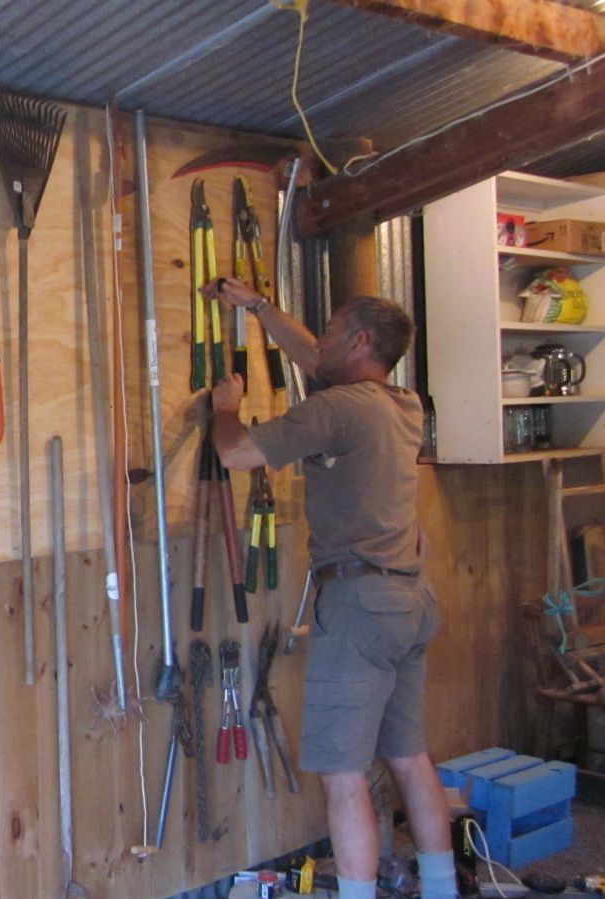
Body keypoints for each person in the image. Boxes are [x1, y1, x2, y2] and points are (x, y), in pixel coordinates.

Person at [203, 276, 454, 899]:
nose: (322, 342)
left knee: (343, 774)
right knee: (410, 756)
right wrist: (257, 309)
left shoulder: (336, 410)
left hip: (359, 607)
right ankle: (445, 888)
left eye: (335, 328)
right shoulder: (401, 403)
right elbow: (315, 357)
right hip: (409, 600)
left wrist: (225, 410)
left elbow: (236, 456)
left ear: (361, 339)